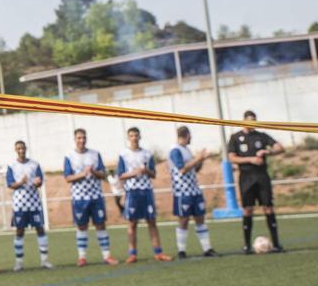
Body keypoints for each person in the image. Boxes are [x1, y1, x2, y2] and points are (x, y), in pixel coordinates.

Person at [228, 111, 286, 253]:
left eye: (254, 120)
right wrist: (250, 159)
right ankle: (247, 246)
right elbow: (232, 158)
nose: (252, 123)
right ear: (243, 121)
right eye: (250, 120)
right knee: (248, 209)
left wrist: (268, 152)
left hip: (262, 176)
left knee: (268, 207)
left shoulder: (261, 136)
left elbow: (280, 148)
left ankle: (276, 244)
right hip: (246, 177)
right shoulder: (235, 137)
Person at [115, 127, 172, 263]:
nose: (134, 138)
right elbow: (121, 175)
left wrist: (146, 170)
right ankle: (132, 254)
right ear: (128, 138)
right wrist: (135, 172)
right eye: (131, 136)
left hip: (146, 191)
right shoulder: (123, 154)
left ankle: (158, 252)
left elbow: (154, 174)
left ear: (140, 137)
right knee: (132, 223)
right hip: (132, 192)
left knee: (151, 222)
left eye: (136, 135)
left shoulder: (147, 154)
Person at [63, 128, 118, 267]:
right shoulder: (69, 156)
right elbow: (68, 177)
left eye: (83, 138)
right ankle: (82, 257)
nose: (81, 140)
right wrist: (82, 174)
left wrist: (93, 172)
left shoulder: (95, 154)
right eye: (79, 138)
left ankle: (107, 256)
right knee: (82, 226)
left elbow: (103, 174)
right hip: (79, 197)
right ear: (75, 139)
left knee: (100, 224)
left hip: (96, 196)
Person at [169, 126, 217, 258]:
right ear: (187, 135)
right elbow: (182, 169)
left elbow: (193, 169)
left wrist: (201, 159)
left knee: (200, 218)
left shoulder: (186, 150)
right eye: (190, 136)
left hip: (194, 190)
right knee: (184, 220)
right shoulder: (175, 150)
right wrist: (198, 158)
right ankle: (181, 251)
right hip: (182, 192)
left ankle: (207, 249)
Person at [5, 140, 52, 272]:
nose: (21, 150)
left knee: (40, 229)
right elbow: (10, 184)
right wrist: (21, 182)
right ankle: (19, 263)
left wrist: (38, 182)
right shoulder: (12, 166)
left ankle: (44, 260)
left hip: (34, 202)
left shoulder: (34, 164)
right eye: (18, 148)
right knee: (20, 231)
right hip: (19, 204)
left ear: (26, 149)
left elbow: (39, 181)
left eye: (23, 148)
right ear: (15, 150)